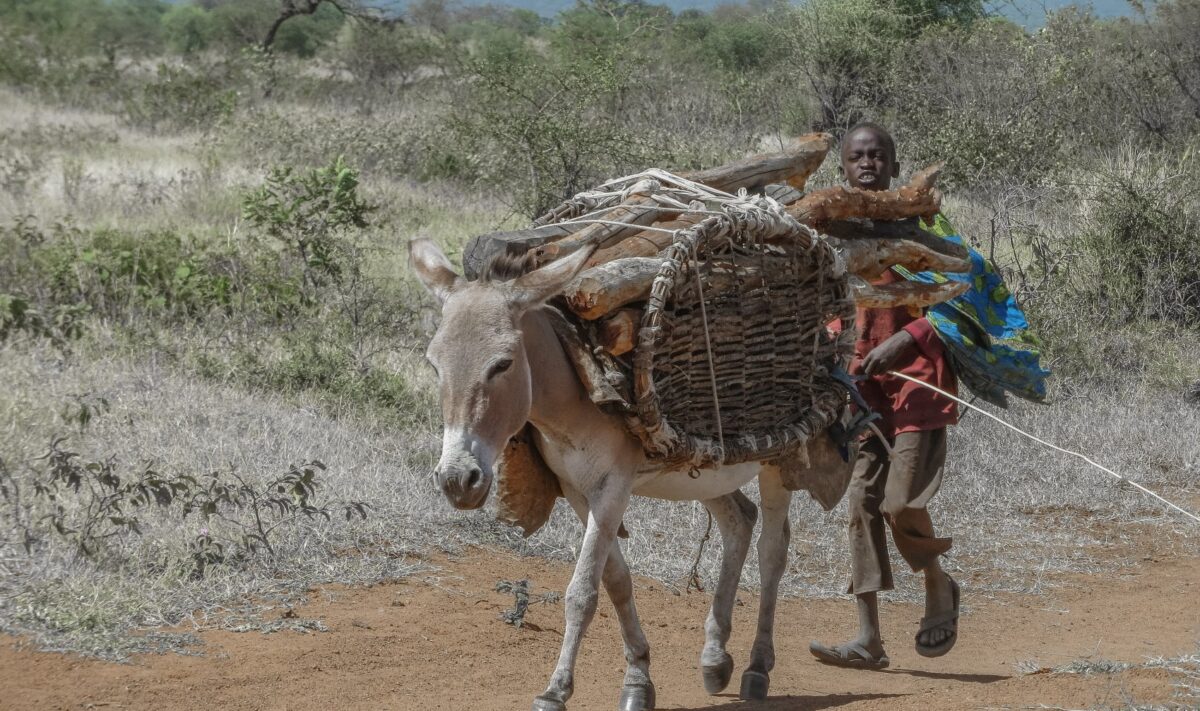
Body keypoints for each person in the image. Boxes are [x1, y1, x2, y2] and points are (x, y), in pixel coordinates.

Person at [809, 122, 964, 669]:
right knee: (859, 507)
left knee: (900, 503)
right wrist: (837, 347)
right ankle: (868, 639)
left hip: (918, 386)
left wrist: (906, 338)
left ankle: (939, 584)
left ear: (896, 167)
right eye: (857, 157)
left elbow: (960, 302)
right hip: (863, 394)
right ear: (843, 168)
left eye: (878, 156)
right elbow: (827, 307)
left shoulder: (924, 227)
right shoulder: (834, 232)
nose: (868, 165)